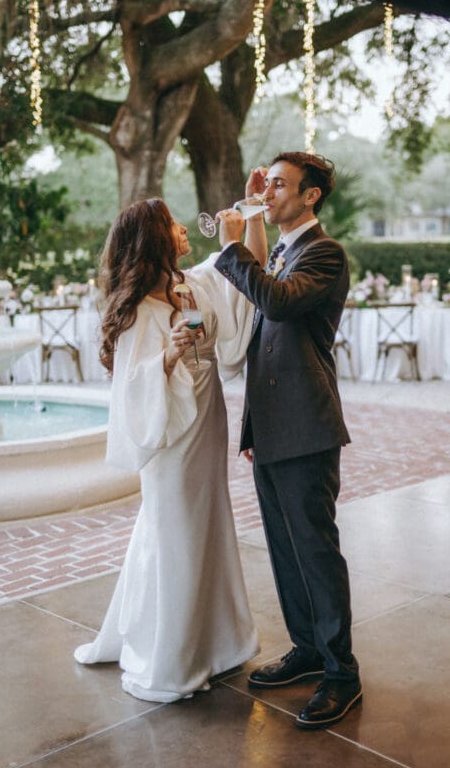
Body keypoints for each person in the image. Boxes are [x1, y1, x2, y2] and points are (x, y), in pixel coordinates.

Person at [74, 198, 264, 702]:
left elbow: (246, 277)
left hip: (206, 422)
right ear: (155, 239)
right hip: (170, 435)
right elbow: (131, 385)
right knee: (175, 531)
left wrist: (253, 217)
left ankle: (217, 645)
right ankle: (172, 659)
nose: (183, 228)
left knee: (207, 526)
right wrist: (168, 354)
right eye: (173, 224)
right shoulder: (138, 309)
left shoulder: (191, 286)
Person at [214, 152, 361, 729]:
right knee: (284, 548)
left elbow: (273, 299)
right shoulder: (280, 250)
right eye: (268, 184)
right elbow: (263, 342)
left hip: (307, 426)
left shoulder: (324, 252)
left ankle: (342, 674)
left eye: (280, 185)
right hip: (274, 427)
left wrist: (231, 247)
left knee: (316, 551)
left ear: (311, 195)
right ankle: (307, 648)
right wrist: (251, 209)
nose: (270, 192)